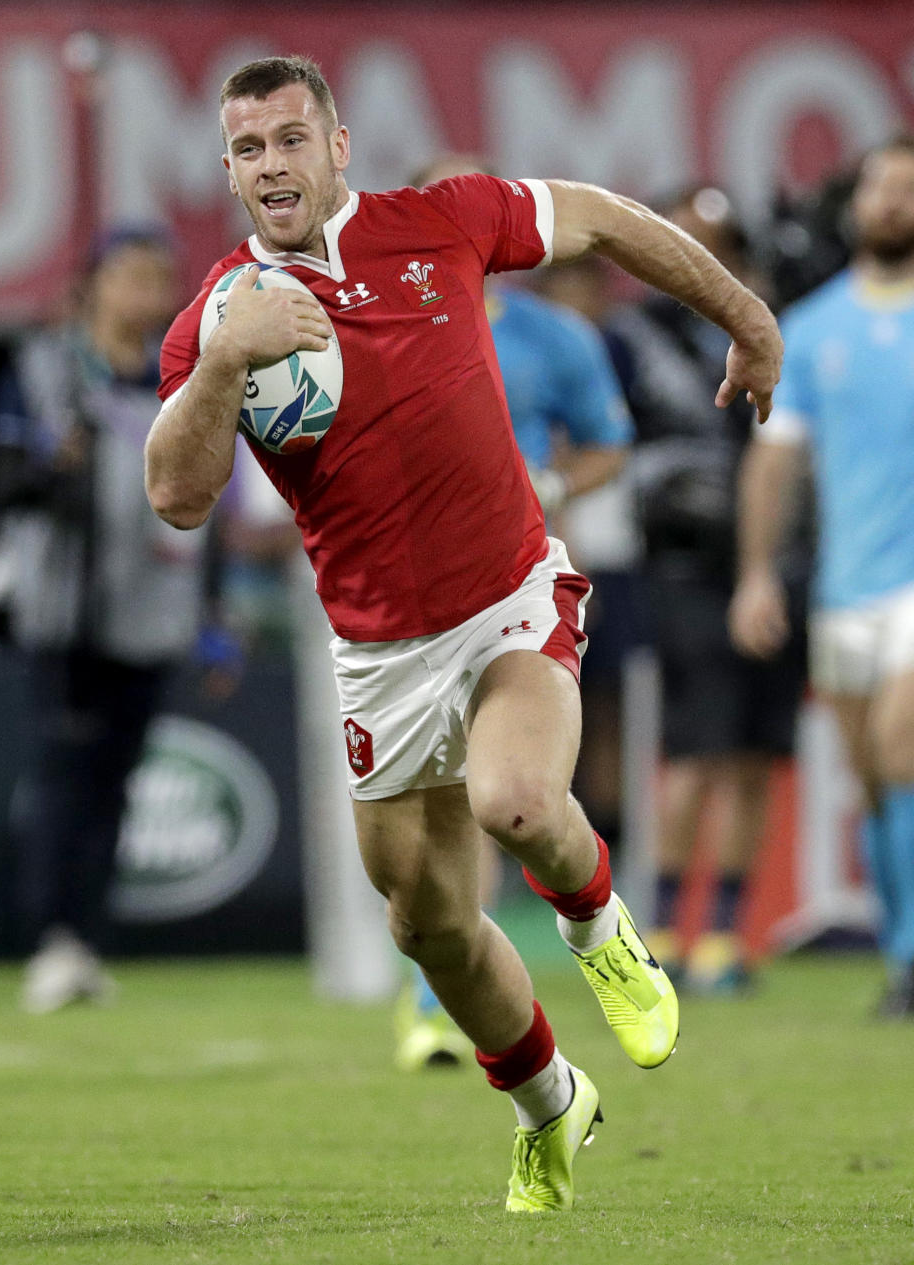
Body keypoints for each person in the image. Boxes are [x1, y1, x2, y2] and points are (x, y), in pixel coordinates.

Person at [145, 56, 782, 1212]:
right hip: (378, 654)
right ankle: (550, 1102)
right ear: (229, 169)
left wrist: (744, 315)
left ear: (338, 146)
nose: (272, 165)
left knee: (517, 802)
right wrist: (229, 362)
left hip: (509, 599)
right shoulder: (218, 320)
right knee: (426, 923)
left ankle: (599, 924)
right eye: (248, 149)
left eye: (292, 138)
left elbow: (601, 217)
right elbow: (177, 496)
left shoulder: (443, 222)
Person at [390, 154, 634, 1070]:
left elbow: (610, 443)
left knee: (508, 795)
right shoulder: (375, 322)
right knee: (439, 809)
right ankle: (435, 996)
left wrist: (553, 478)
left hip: (520, 580)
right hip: (409, 595)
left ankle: (592, 926)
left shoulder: (556, 335)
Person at [0, 226, 213, 1012]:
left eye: (160, 278)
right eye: (130, 277)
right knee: (62, 774)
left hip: (152, 605)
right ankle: (51, 934)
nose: (146, 295)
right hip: (65, 607)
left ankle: (86, 935)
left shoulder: (180, 375)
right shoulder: (48, 368)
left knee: (116, 779)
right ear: (94, 284)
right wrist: (56, 467)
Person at [605, 187, 808, 992]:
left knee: (757, 753)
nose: (699, 257)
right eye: (681, 241)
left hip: (779, 560)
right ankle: (657, 931)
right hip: (685, 565)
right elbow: (608, 435)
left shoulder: (770, 320)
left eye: (716, 242)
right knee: (693, 751)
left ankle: (723, 934)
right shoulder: (636, 335)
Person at [730, 135, 914, 1018]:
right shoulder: (811, 328)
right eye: (881, 187)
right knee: (876, 780)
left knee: (902, 746)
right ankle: (903, 942)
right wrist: (758, 573)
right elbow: (777, 464)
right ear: (856, 204)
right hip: (847, 585)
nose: (892, 203)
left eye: (908, 191)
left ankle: (913, 955)